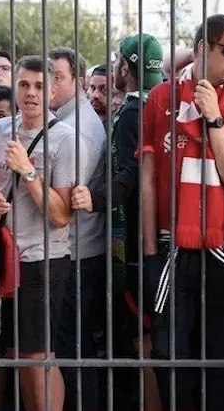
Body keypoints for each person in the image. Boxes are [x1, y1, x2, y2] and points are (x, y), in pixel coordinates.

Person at [141, 14, 224, 411]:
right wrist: (149, 254)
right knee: (169, 355)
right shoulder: (160, 98)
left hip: (223, 246)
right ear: (201, 48)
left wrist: (213, 118)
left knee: (220, 358)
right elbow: (146, 180)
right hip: (170, 248)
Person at [70, 32, 167, 411]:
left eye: (116, 62)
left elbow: (131, 173)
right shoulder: (160, 105)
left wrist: (96, 198)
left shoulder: (131, 113)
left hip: (136, 247)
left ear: (126, 67)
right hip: (155, 237)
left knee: (143, 341)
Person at [0, 55, 77, 411]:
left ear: (53, 90)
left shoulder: (64, 139)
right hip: (5, 256)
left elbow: (61, 215)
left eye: (40, 86)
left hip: (44, 259)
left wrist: (28, 171)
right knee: (17, 354)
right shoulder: (0, 129)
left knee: (39, 355)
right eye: (24, 85)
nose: (31, 93)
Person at [47, 46, 106, 411]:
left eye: (57, 76)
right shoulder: (68, 120)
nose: (49, 84)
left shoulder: (77, 129)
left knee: (72, 348)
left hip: (76, 252)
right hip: (75, 250)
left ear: (79, 82)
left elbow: (66, 202)